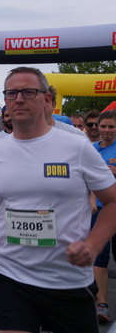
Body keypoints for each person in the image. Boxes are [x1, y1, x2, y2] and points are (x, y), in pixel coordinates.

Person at [0, 67, 116, 333]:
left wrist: (93, 245)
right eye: (12, 93)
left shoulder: (76, 146)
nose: (19, 99)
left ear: (47, 100)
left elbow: (112, 201)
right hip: (12, 276)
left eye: (28, 92)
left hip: (67, 279)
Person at [91, 110, 116, 323]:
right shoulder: (92, 150)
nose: (107, 130)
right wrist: (90, 200)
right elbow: (85, 179)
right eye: (104, 126)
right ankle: (102, 305)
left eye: (111, 127)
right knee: (99, 257)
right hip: (98, 210)